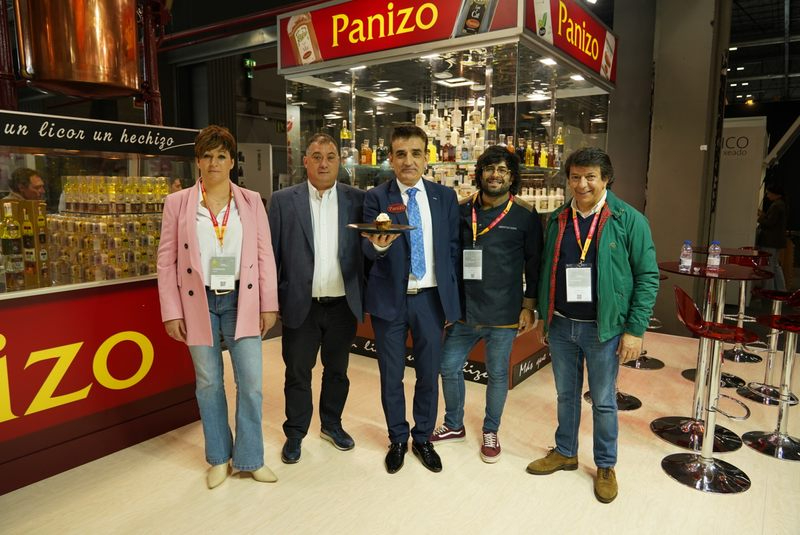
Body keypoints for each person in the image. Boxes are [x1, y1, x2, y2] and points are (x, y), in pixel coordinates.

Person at [526, 147, 658, 504]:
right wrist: (543, 314)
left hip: (604, 329)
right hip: (562, 324)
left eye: (590, 177)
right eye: (575, 177)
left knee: (602, 400)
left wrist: (635, 329)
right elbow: (546, 272)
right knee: (566, 395)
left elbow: (647, 277)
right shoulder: (557, 219)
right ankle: (565, 451)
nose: (582, 184)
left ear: (606, 179)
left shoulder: (628, 220)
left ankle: (605, 464)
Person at [157, 125, 279, 489]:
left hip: (243, 297)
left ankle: (250, 458)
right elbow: (165, 261)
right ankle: (218, 457)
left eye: (221, 156)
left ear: (231, 162)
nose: (214, 163)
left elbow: (264, 254)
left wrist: (268, 304)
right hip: (198, 301)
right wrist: (171, 311)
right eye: (207, 156)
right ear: (197, 161)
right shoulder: (177, 203)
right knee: (209, 382)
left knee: (252, 383)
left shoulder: (251, 201)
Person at [431, 146, 543, 463]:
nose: (495, 175)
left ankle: (490, 429)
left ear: (512, 176)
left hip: (505, 313)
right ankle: (454, 424)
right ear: (479, 173)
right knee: (448, 367)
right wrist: (447, 305)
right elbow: (450, 259)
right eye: (490, 168)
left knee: (496, 374)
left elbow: (535, 264)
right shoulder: (462, 210)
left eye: (503, 170)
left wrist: (529, 306)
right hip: (465, 312)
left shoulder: (525, 214)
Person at [362, 124, 460, 474]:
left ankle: (422, 438)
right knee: (391, 374)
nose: (408, 160)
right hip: (390, 299)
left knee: (428, 374)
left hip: (430, 300)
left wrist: (451, 300)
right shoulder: (376, 197)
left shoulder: (443, 197)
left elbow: (451, 250)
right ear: (390, 157)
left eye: (415, 153)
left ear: (426, 157)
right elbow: (366, 248)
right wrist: (377, 245)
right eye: (400, 153)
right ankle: (397, 438)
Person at [268, 133, 365, 464]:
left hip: (342, 305)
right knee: (297, 372)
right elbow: (270, 256)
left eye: (331, 156)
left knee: (337, 371)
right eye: (317, 156)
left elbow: (367, 252)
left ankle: (331, 424)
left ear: (339, 161)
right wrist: (271, 301)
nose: (324, 162)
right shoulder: (282, 201)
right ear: (305, 161)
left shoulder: (358, 200)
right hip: (301, 305)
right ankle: (295, 433)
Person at [756, 182, 787, 291]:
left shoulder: (776, 205)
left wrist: (759, 218)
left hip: (770, 241)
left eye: (769, 193)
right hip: (776, 241)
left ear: (776, 194)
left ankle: (769, 290)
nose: (767, 195)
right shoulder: (780, 204)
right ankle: (781, 290)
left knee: (769, 266)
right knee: (775, 266)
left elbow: (770, 223)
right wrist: (763, 215)